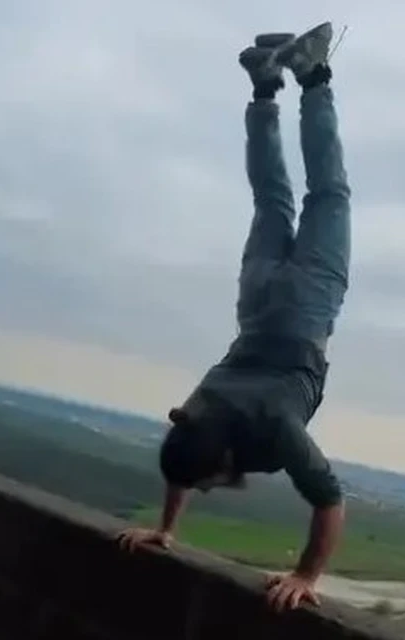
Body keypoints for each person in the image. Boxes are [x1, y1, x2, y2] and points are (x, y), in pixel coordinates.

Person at [117, 22, 351, 613]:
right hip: (257, 302)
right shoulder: (201, 407)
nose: (207, 487)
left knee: (328, 195)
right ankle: (265, 87)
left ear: (224, 462)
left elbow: (329, 501)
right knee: (272, 199)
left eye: (207, 482)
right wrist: (165, 530)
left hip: (305, 309)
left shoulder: (277, 426)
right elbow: (182, 454)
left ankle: (313, 73)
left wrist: (305, 576)